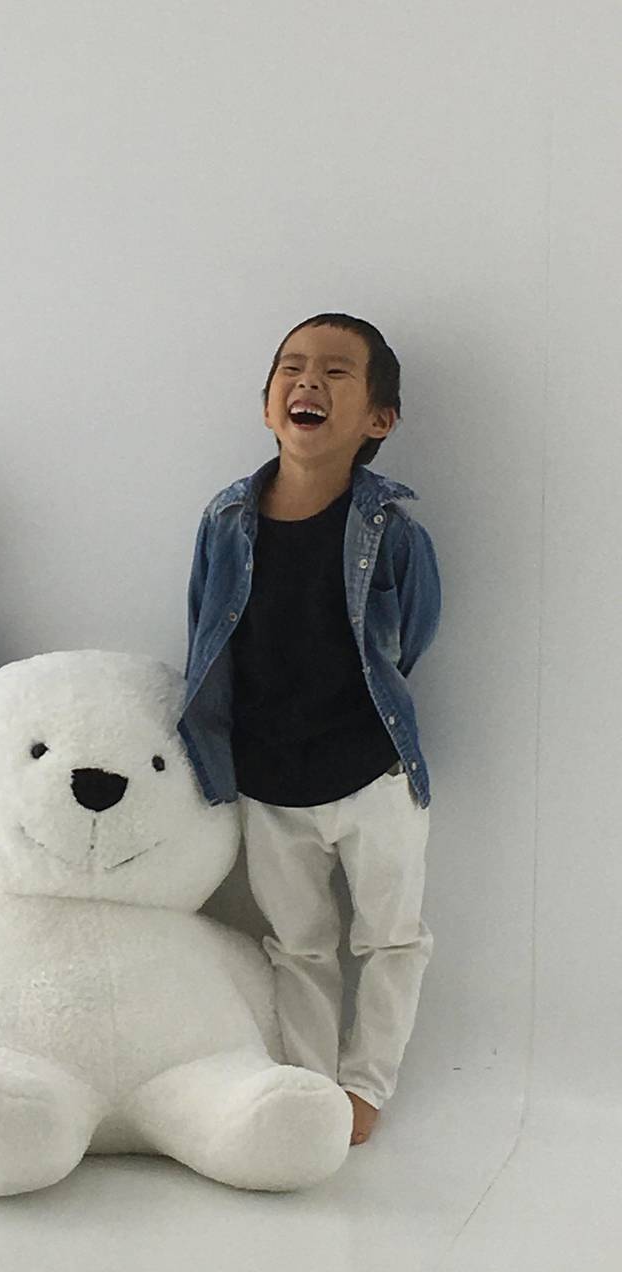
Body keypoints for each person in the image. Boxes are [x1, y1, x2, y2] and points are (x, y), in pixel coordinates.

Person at [180, 314, 441, 1145]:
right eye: (292, 368)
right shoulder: (226, 522)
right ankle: (308, 1084)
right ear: (268, 405)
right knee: (297, 944)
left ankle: (365, 1086)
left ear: (378, 418)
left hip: (373, 772)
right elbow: (205, 635)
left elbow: (413, 637)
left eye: (335, 372)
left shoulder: (393, 533)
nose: (308, 382)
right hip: (268, 778)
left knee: (392, 937)